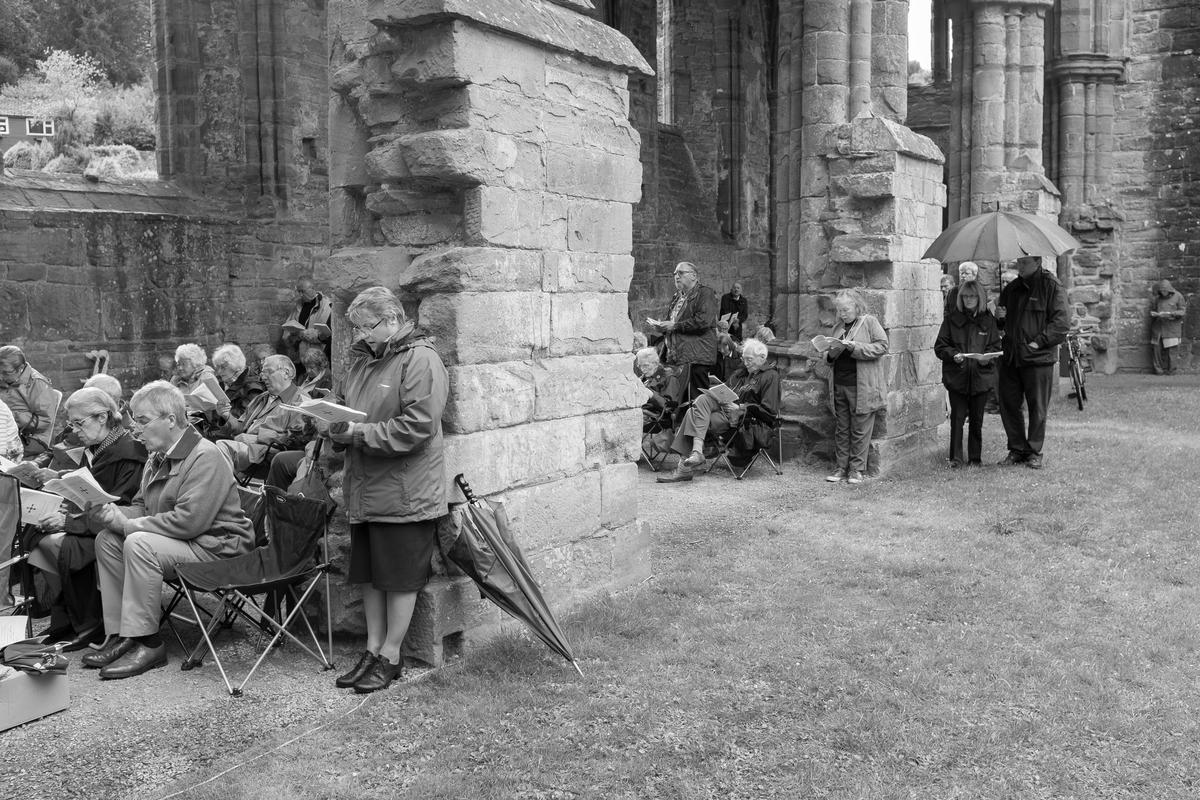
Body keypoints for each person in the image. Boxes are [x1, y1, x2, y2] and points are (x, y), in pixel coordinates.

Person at [83, 381, 255, 679]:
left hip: (218, 548)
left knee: (138, 542)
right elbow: (142, 508)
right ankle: (123, 632)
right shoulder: (155, 457)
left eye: (143, 420)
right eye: (134, 420)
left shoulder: (205, 455)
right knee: (107, 539)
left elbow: (190, 522)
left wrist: (130, 524)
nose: (135, 429)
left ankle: (149, 643)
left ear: (171, 420)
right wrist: (112, 514)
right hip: (184, 543)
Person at [325, 286, 448, 694]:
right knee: (370, 576)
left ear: (393, 320)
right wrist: (328, 418)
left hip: (404, 489)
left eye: (368, 326)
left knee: (398, 578)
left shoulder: (420, 359)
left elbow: (417, 427)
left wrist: (357, 433)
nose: (361, 335)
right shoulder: (363, 362)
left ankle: (392, 655)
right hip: (366, 487)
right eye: (357, 328)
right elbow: (343, 403)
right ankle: (372, 648)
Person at [25, 388, 147, 651]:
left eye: (79, 423)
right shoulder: (98, 446)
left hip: (114, 528)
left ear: (102, 417)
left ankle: (90, 622)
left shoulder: (129, 452)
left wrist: (68, 522)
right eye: (71, 423)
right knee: (36, 534)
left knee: (62, 545)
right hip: (90, 518)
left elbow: (121, 505)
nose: (75, 430)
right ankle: (68, 617)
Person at [657, 339, 780, 483]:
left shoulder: (771, 376)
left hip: (745, 420)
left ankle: (685, 467)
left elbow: (769, 411)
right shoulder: (741, 373)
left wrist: (741, 407)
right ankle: (696, 453)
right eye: (744, 359)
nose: (746, 363)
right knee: (702, 399)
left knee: (692, 414)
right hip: (724, 412)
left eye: (749, 359)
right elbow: (726, 389)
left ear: (762, 358)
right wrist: (717, 393)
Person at [995, 255, 1070, 469]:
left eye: (1024, 263)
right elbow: (1002, 323)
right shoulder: (1012, 288)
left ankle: (1034, 451)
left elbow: (1061, 323)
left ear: (1037, 262)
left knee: (1037, 406)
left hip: (1038, 358)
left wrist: (1038, 343)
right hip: (1011, 356)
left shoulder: (1051, 286)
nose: (1019, 266)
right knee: (1008, 404)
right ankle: (1017, 449)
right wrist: (1000, 317)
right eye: (1018, 262)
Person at [824, 290, 889, 485]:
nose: (842, 314)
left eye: (846, 309)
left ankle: (857, 469)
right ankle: (841, 467)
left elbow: (882, 346)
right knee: (842, 428)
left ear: (856, 307)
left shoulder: (868, 322)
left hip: (862, 385)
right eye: (839, 310)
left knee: (861, 428)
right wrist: (829, 355)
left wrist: (855, 347)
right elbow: (828, 357)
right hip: (839, 384)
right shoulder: (837, 327)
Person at [934, 280, 1002, 467]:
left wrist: (987, 358)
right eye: (965, 296)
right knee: (957, 419)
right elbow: (940, 346)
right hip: (957, 375)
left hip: (981, 376)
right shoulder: (951, 320)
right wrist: (952, 355)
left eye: (972, 296)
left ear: (979, 298)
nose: (969, 299)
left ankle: (975, 458)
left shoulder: (988, 320)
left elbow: (995, 346)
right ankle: (956, 458)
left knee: (977, 420)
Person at [214, 355, 312, 475]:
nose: (263, 377)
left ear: (287, 373)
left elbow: (298, 439)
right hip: (245, 448)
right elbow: (240, 427)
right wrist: (226, 416)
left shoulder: (301, 401)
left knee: (220, 448)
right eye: (262, 372)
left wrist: (257, 438)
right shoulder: (262, 397)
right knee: (206, 448)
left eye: (268, 372)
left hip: (266, 452)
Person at [649, 262, 719, 401]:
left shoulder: (705, 293)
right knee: (678, 396)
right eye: (675, 274)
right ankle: (680, 421)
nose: (676, 276)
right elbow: (673, 322)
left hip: (697, 355)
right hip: (677, 354)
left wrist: (674, 326)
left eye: (681, 273)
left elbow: (703, 321)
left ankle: (699, 422)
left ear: (693, 276)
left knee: (696, 398)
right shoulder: (677, 296)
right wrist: (663, 327)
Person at [0, 345, 57, 457]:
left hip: (31, 437)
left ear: (21, 368)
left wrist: (12, 417)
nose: (1, 377)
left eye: (6, 373)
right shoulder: (4, 377)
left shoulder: (37, 384)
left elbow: (45, 420)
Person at [171, 343, 232, 422]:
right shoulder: (175, 379)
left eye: (183, 364)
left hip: (204, 423)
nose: (180, 368)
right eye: (178, 364)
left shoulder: (207, 377)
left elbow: (218, 404)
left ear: (195, 364)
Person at [281, 278, 334, 366]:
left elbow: (323, 335)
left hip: (317, 358)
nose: (314, 290)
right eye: (310, 288)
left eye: (313, 287)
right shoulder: (298, 306)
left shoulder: (326, 305)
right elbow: (286, 333)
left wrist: (300, 334)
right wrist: (290, 337)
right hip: (299, 356)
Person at [212, 343, 265, 420]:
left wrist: (220, 413)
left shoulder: (253, 387)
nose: (219, 371)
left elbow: (243, 418)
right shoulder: (225, 381)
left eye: (223, 367)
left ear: (235, 365)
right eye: (218, 367)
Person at [1150, 279, 1186, 375]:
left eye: (1165, 291)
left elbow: (1182, 311)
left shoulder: (1178, 296)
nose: (1163, 292)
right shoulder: (1157, 298)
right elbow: (1153, 309)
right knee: (1156, 349)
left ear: (1169, 290)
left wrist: (1171, 314)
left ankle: (1172, 370)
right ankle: (1158, 370)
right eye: (1161, 291)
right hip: (1158, 327)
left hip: (1172, 327)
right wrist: (1154, 314)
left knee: (1172, 350)